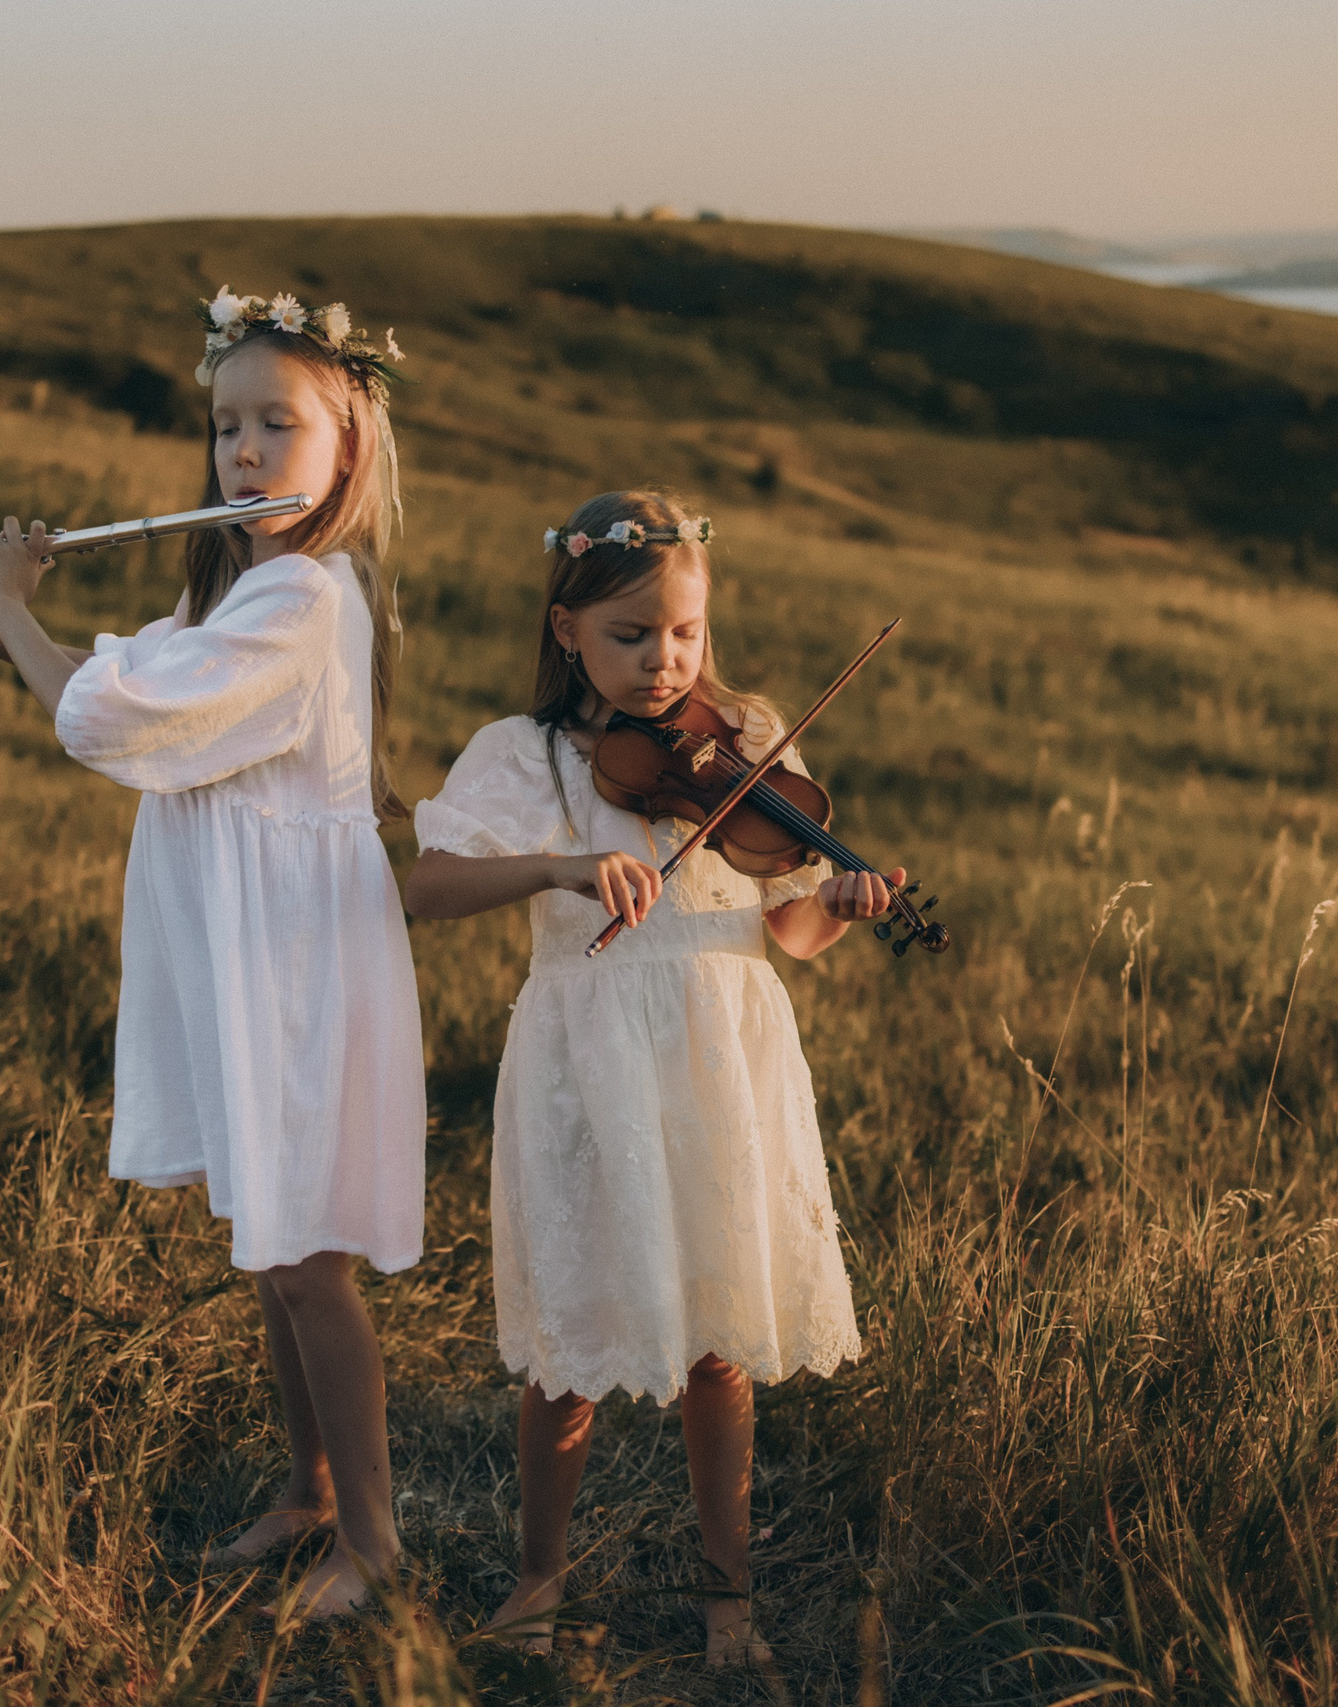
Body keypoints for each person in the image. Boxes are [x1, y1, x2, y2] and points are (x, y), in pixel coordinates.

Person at [0, 289, 423, 1616]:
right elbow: (158, 686)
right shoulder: (254, 589)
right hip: (248, 952)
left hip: (299, 961)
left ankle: (373, 1543)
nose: (243, 452)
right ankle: (309, 1491)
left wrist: (21, 611)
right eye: (224, 426)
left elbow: (118, 726)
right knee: (270, 1241)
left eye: (276, 424)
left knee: (308, 1255)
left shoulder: (308, 595)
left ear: (348, 447)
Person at [402, 490, 892, 1664]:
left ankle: (730, 1601)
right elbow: (424, 888)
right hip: (587, 1061)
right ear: (567, 628)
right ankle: (536, 1582)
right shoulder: (523, 756)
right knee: (568, 1346)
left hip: (720, 1054)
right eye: (630, 637)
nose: (663, 663)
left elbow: (785, 932)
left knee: (720, 1343)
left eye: (681, 634)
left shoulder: (747, 738)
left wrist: (835, 903)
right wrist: (559, 868)